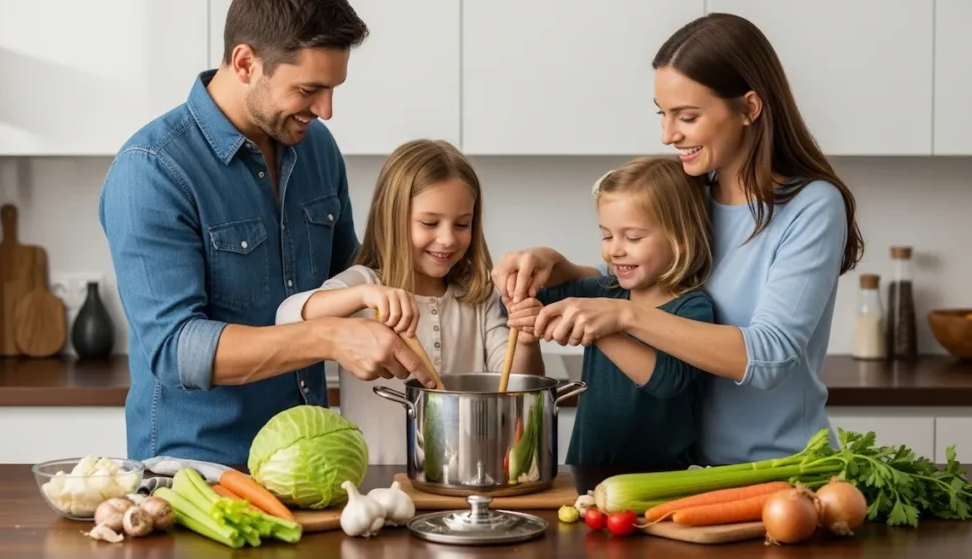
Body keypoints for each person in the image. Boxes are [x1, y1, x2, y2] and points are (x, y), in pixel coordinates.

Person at [492, 13, 864, 467]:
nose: (668, 135)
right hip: (685, 474)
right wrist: (563, 268)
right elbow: (650, 286)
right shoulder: (692, 190)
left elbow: (769, 357)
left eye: (687, 116)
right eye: (662, 114)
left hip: (778, 470)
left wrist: (621, 315)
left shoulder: (811, 205)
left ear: (749, 107)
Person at [98, 0, 436, 466]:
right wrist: (329, 339)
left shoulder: (316, 148)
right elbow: (177, 350)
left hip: (311, 461)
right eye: (309, 89)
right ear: (245, 63)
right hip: (199, 474)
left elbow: (348, 276)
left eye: (334, 89)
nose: (327, 110)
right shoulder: (152, 171)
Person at [275, 138, 546, 465]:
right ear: (393, 219)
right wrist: (362, 295)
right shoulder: (366, 283)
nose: (447, 238)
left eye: (462, 224)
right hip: (376, 482)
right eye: (429, 223)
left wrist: (528, 342)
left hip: (463, 478)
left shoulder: (478, 293)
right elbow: (287, 318)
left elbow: (512, 388)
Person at [507, 156, 716, 470]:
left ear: (681, 240)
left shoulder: (693, 307)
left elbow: (668, 381)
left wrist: (600, 330)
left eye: (632, 238)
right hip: (586, 468)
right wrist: (525, 295)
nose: (614, 250)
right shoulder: (604, 289)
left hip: (662, 479)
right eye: (607, 235)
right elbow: (536, 297)